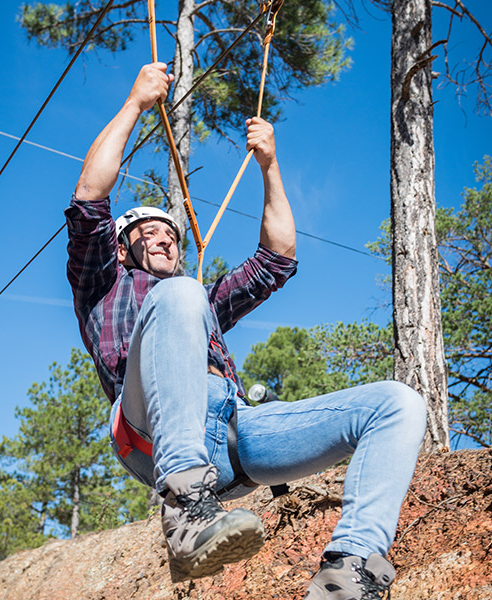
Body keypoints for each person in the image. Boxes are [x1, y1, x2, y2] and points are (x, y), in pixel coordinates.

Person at [65, 62, 427, 598]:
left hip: (235, 434)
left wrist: (270, 164)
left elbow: (277, 259)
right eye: (148, 233)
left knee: (398, 403)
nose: (165, 239)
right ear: (122, 248)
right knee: (180, 294)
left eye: (171, 233)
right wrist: (136, 103)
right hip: (149, 429)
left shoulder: (197, 304)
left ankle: (349, 573)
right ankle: (187, 509)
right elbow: (90, 198)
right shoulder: (103, 283)